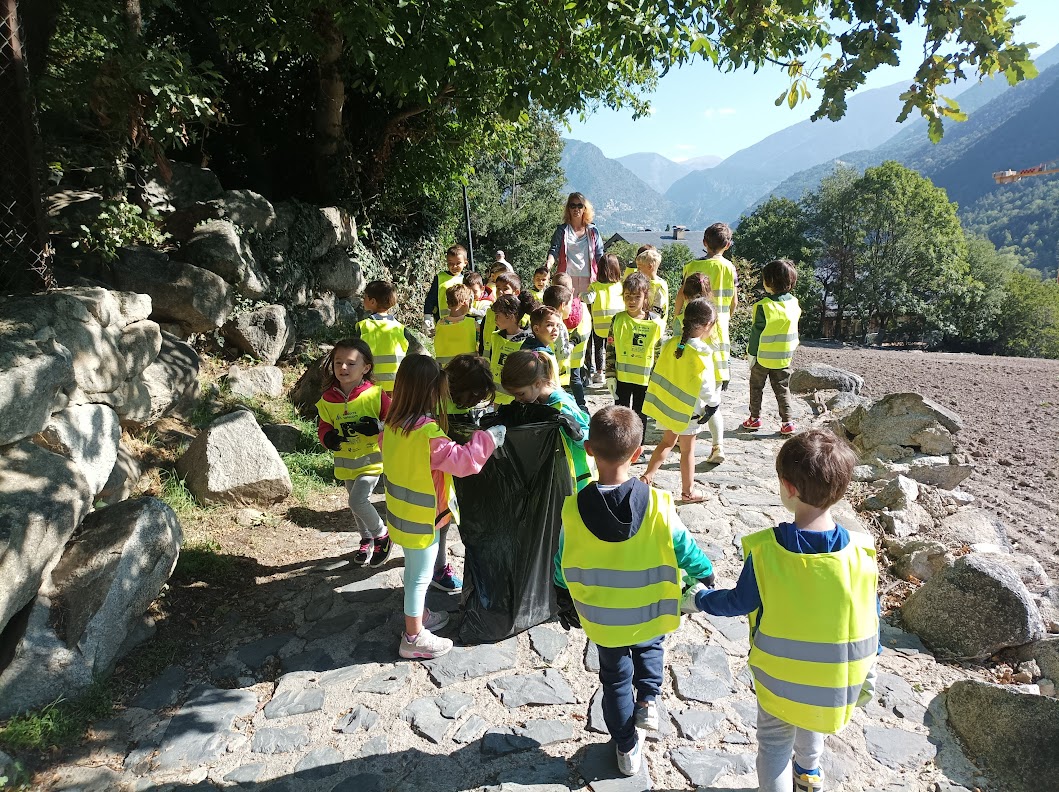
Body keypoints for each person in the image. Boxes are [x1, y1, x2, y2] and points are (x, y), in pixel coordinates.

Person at [684, 429, 878, 792]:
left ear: (788, 488)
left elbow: (739, 602)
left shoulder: (767, 551)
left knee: (774, 742)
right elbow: (871, 615)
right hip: (836, 678)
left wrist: (698, 599)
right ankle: (809, 773)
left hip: (780, 678)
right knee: (812, 717)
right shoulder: (862, 553)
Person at [554, 406, 716, 776]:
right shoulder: (658, 504)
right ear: (638, 452)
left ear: (589, 450)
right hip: (650, 610)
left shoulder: (573, 510)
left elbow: (562, 561)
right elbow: (685, 548)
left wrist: (562, 593)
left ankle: (626, 748)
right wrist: (704, 574)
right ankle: (648, 699)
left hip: (603, 619)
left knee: (613, 680)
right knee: (651, 647)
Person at [381, 356, 506, 659]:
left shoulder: (392, 427)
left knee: (415, 570)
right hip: (424, 519)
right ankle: (413, 638)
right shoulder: (428, 434)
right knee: (419, 578)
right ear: (431, 391)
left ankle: (420, 615)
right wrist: (489, 438)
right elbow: (464, 462)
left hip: (403, 515)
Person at [316, 339, 393, 568]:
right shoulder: (327, 399)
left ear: (366, 367)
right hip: (346, 462)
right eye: (338, 362)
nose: (343, 368)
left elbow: (394, 421)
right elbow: (324, 426)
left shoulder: (376, 394)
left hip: (371, 461)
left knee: (357, 500)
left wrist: (378, 427)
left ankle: (382, 535)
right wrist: (328, 438)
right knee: (355, 504)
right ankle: (366, 539)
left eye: (351, 363)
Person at [641, 298, 721, 503]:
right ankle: (688, 492)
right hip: (688, 412)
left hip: (668, 407)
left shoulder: (670, 344)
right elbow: (706, 387)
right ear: (707, 325)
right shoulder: (701, 353)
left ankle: (646, 478)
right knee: (687, 451)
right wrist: (713, 404)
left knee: (667, 442)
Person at [502, 350, 593, 492]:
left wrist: (578, 434)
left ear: (538, 383)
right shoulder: (535, 402)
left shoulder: (562, 405)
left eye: (520, 394)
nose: (517, 400)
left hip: (576, 480)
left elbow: (589, 440)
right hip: (555, 479)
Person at [672, 273, 728, 464]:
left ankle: (680, 437)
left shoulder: (683, 319)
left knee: (686, 404)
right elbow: (724, 344)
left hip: (694, 370)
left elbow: (678, 345)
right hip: (717, 369)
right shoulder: (718, 316)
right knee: (713, 407)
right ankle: (718, 446)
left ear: (685, 296)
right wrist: (726, 370)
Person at [742, 258, 802, 435]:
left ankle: (754, 419)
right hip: (783, 357)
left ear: (769, 282)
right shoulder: (794, 303)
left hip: (763, 357)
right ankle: (787, 422)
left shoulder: (763, 306)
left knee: (756, 388)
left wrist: (751, 355)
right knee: (782, 389)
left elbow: (756, 334)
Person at [610, 272, 664, 446]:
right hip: (622, 378)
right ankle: (621, 446)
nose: (631, 301)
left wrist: (657, 378)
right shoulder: (618, 320)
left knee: (640, 416)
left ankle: (637, 447)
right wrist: (610, 375)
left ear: (645, 296)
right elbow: (610, 348)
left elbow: (659, 352)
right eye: (628, 296)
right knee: (621, 415)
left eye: (636, 297)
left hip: (645, 380)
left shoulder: (655, 322)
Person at [684, 222, 737, 392]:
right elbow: (734, 301)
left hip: (694, 323)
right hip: (719, 323)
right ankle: (717, 389)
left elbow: (682, 295)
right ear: (727, 245)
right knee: (718, 360)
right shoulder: (730, 268)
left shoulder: (691, 266)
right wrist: (726, 317)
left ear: (704, 242)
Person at [356, 280, 411, 394]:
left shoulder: (363, 326)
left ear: (372, 301)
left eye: (365, 297)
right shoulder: (400, 328)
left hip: (370, 385)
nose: (363, 299)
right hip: (397, 385)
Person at [545, 279, 591, 412]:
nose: (571, 308)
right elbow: (563, 353)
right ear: (562, 305)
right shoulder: (560, 326)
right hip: (557, 374)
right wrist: (572, 343)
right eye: (570, 304)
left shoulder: (544, 320)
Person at [546, 192, 605, 294]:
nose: (576, 209)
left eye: (580, 206)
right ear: (568, 208)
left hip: (590, 280)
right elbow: (554, 251)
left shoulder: (593, 231)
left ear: (585, 209)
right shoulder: (562, 230)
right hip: (566, 280)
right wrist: (548, 265)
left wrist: (605, 274)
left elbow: (599, 255)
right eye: (572, 205)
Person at [487, 295, 533, 406]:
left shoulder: (528, 341)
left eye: (498, 315)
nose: (495, 319)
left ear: (511, 317)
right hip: (496, 399)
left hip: (517, 402)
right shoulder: (495, 337)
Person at [585, 253, 623, 387]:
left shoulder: (594, 286)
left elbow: (589, 302)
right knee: (613, 350)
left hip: (599, 325)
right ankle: (613, 375)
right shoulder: (621, 286)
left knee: (599, 348)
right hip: (616, 325)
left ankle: (599, 373)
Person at [423, 244, 468, 333]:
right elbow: (431, 298)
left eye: (458, 263)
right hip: (441, 321)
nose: (454, 266)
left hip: (461, 322)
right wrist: (427, 316)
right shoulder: (440, 278)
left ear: (465, 263)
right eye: (451, 263)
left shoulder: (466, 280)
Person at [480, 271, 523, 357]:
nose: (500, 292)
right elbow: (483, 337)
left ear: (516, 292)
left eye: (505, 289)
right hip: (490, 359)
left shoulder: (523, 316)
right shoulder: (490, 312)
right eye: (498, 288)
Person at [434, 283, 478, 367]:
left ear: (448, 303)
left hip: (445, 369)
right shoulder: (472, 323)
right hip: (467, 369)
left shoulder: (440, 323)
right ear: (465, 302)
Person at [522, 305, 564, 386]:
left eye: (558, 325)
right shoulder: (539, 356)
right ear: (536, 329)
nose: (555, 329)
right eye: (549, 325)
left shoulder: (542, 349)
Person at [628, 247, 669, 320]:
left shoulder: (659, 286)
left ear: (650, 267)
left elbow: (658, 310)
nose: (637, 270)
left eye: (639, 267)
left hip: (653, 323)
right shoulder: (643, 282)